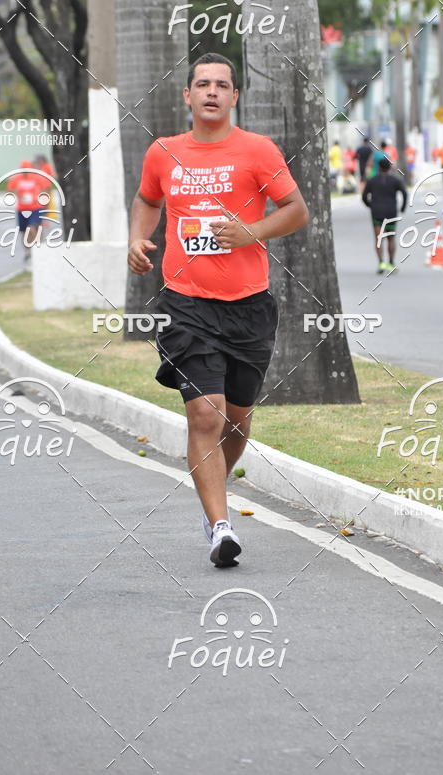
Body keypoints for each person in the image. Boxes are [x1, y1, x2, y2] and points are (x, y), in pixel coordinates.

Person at [127, 52, 309, 567]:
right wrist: (137, 239)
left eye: (221, 85)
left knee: (237, 422)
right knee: (203, 413)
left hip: (249, 306)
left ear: (234, 96)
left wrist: (252, 231)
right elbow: (146, 199)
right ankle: (221, 526)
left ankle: (213, 498)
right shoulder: (164, 152)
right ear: (187, 96)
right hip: (184, 305)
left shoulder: (257, 151)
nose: (211, 91)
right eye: (201, 84)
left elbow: (296, 210)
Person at [362, 156, 407, 274]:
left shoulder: (372, 181)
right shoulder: (395, 180)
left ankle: (381, 263)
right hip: (391, 212)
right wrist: (402, 207)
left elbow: (364, 196)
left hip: (377, 212)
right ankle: (391, 263)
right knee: (391, 238)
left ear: (378, 167)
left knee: (378, 239)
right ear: (389, 167)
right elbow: (404, 193)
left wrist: (370, 205)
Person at [6, 161, 50, 262]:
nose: (26, 172)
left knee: (31, 228)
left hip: (35, 207)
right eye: (23, 170)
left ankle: (38, 249)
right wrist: (15, 192)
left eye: (27, 169)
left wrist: (43, 201)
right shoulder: (16, 179)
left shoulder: (37, 177)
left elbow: (46, 189)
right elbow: (10, 190)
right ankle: (28, 252)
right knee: (24, 232)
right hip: (22, 208)